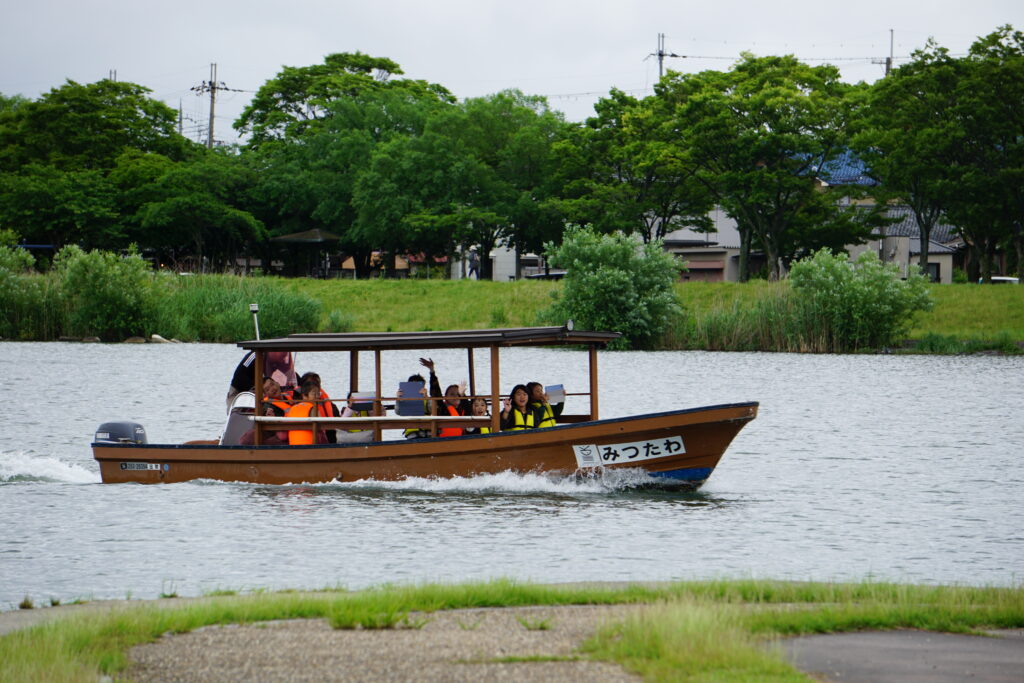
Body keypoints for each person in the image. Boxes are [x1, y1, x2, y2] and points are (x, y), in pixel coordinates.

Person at [226, 351, 296, 410]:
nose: (281, 359)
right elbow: (240, 375)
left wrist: (291, 383)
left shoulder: (275, 360)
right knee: (235, 413)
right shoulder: (254, 355)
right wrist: (258, 389)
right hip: (238, 390)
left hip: (258, 390)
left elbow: (283, 374)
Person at [239, 377, 290, 445]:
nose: (272, 389)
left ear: (277, 383)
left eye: (272, 384)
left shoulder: (292, 396)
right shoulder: (268, 407)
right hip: (277, 435)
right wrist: (271, 418)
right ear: (265, 394)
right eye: (267, 389)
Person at [285, 380, 327, 445]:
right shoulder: (313, 409)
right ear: (304, 396)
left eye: (318, 393)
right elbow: (321, 428)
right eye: (314, 394)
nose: (317, 396)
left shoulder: (292, 408)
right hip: (309, 446)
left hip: (293, 445)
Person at [399, 372, 431, 440]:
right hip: (412, 434)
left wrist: (426, 397)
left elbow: (432, 410)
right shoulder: (405, 399)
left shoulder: (427, 399)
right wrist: (399, 399)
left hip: (428, 433)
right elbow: (398, 411)